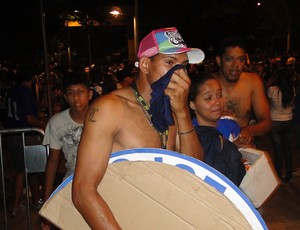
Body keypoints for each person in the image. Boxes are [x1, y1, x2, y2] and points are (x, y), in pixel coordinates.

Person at [72, 27, 205, 229]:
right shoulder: (109, 108)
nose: (179, 74)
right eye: (169, 63)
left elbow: (194, 172)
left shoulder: (171, 108)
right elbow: (83, 191)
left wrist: (183, 112)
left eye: (184, 66)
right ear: (145, 64)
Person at [41, 72, 93, 229]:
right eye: (71, 93)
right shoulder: (56, 123)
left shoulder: (102, 116)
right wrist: (47, 202)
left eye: (80, 92)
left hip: (103, 177)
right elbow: (53, 161)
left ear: (90, 94)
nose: (76, 98)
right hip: (72, 181)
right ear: (65, 97)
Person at [212, 36, 272, 148]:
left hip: (242, 150)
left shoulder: (253, 82)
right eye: (230, 59)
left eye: (241, 59)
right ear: (219, 61)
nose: (236, 65)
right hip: (215, 148)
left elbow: (267, 122)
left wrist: (248, 131)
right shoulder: (208, 84)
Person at [189, 72, 246, 186]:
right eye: (208, 98)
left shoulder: (231, 126)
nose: (217, 102)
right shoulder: (190, 135)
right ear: (192, 105)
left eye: (219, 95)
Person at [5, 64, 46, 216]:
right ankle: (17, 205)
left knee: (25, 169)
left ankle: (34, 200)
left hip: (12, 135)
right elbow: (30, 118)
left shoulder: (11, 91)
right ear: (32, 77)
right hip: (25, 135)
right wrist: (44, 126)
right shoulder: (26, 92)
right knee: (27, 169)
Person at [267, 68, 295, 182]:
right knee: (287, 149)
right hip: (288, 120)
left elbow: (268, 104)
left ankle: (277, 175)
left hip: (275, 122)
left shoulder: (272, 89)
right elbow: (292, 104)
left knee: (278, 149)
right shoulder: (291, 89)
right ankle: (289, 175)